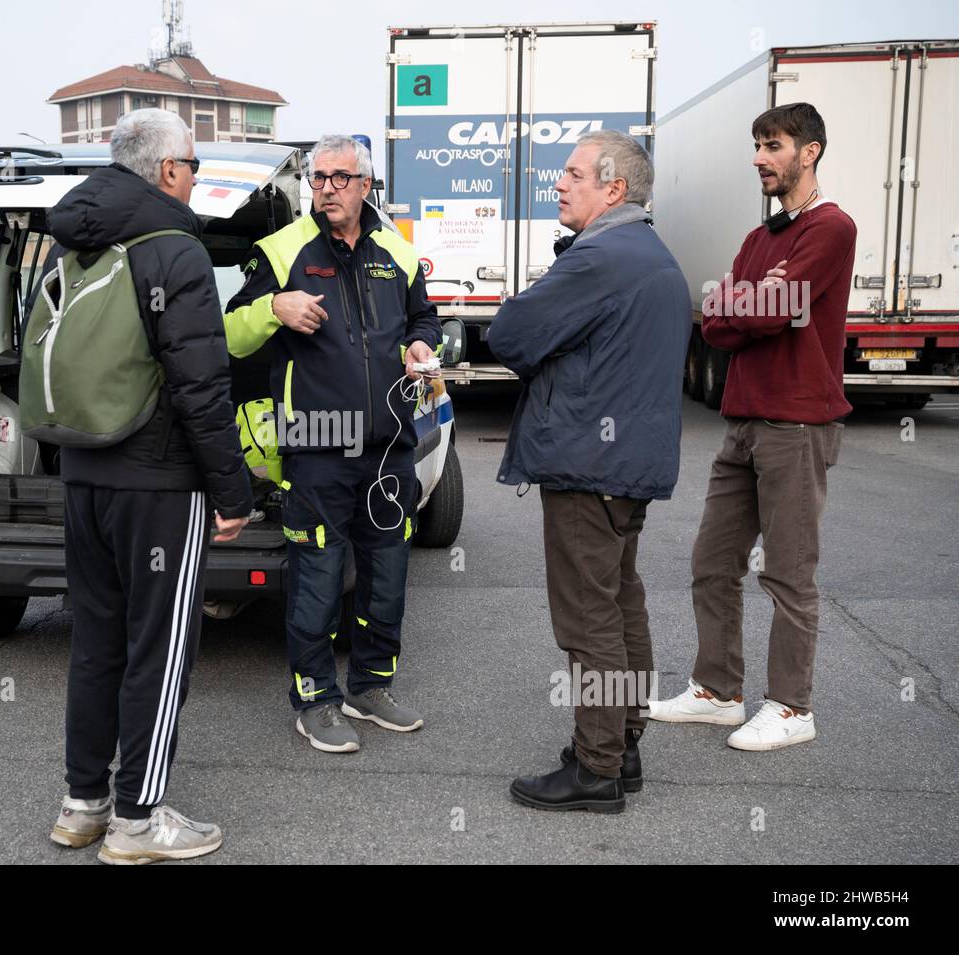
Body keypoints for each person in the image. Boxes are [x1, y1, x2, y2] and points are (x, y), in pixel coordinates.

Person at [44, 108, 252, 864]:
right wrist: (233, 491)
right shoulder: (175, 248)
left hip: (83, 474)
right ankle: (138, 819)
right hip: (159, 483)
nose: (195, 177)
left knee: (95, 641)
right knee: (160, 651)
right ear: (167, 171)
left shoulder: (72, 242)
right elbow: (201, 385)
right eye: (193, 165)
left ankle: (83, 804)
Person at [488, 130, 691, 814]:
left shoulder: (600, 255)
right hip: (627, 465)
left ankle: (597, 767)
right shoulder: (653, 253)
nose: (558, 183)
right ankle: (623, 743)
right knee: (620, 604)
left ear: (613, 189)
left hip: (587, 463)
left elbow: (512, 334)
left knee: (588, 621)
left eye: (572, 173)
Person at [224, 134, 440, 754]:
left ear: (366, 184)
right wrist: (274, 305)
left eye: (339, 178)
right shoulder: (280, 251)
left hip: (390, 444)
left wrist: (422, 345)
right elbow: (231, 335)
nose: (326, 189)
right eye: (318, 179)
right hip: (317, 443)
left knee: (387, 574)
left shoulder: (396, 253)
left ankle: (372, 686)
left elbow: (421, 317)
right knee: (318, 577)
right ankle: (315, 699)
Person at [649, 103, 856, 751]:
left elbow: (771, 309)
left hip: (797, 423)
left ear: (809, 152)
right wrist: (744, 301)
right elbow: (714, 322)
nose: (759, 158)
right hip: (742, 419)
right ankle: (718, 692)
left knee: (789, 573)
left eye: (772, 145)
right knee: (712, 560)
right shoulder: (757, 239)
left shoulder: (832, 227)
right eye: (756, 145)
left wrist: (747, 301)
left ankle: (793, 707)